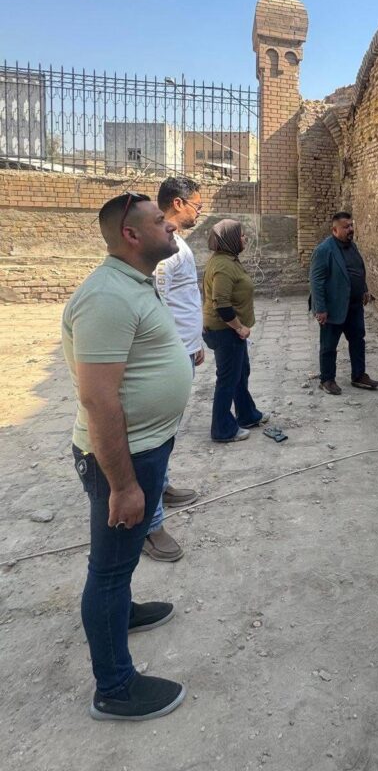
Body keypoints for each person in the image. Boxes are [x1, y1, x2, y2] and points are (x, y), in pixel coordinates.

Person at [62, 191, 192, 721]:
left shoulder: (136, 282)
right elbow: (98, 398)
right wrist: (122, 484)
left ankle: (123, 613)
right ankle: (114, 689)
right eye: (160, 221)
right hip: (121, 459)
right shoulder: (106, 297)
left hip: (145, 448)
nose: (172, 226)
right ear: (131, 235)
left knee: (120, 558)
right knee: (109, 570)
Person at [142, 175, 204, 563]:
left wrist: (194, 344)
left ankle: (160, 488)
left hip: (182, 351)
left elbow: (182, 300)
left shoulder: (177, 242)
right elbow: (157, 302)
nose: (200, 211)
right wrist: (174, 351)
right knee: (155, 439)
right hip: (170, 355)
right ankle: (150, 525)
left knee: (167, 435)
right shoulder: (167, 248)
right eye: (197, 204)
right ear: (178, 204)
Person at [202, 219, 285, 443]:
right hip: (225, 331)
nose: (244, 238)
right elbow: (221, 303)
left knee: (240, 373)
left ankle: (247, 414)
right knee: (228, 379)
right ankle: (222, 429)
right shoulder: (223, 266)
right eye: (240, 235)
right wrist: (239, 327)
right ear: (229, 239)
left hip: (230, 332)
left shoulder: (229, 259)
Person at [309, 211, 378, 396]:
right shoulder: (324, 250)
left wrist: (364, 289)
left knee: (358, 340)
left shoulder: (352, 246)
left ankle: (359, 375)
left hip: (354, 306)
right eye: (346, 227)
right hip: (333, 307)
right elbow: (316, 281)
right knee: (329, 345)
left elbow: (358, 270)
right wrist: (320, 309)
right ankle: (327, 379)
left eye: (351, 225)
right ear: (335, 230)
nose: (350, 229)